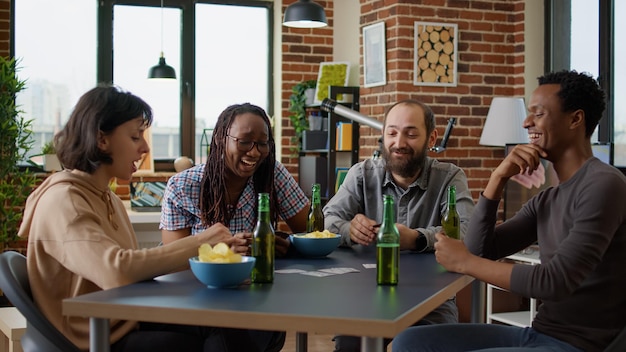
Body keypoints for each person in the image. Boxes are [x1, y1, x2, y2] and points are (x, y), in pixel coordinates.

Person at [17, 85, 283, 352]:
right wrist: (203, 243)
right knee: (223, 332)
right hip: (97, 337)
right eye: (135, 137)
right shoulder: (64, 201)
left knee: (246, 323)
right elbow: (117, 270)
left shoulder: (105, 196)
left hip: (124, 319)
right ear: (102, 139)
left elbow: (129, 266)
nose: (145, 147)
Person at [391, 70, 626, 352]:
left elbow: (554, 281)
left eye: (538, 114)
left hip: (580, 345)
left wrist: (463, 261)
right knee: (407, 343)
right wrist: (497, 180)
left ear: (575, 119)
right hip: (539, 334)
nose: (527, 123)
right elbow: (481, 249)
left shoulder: (604, 184)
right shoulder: (548, 199)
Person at [323, 99, 475, 352]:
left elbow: (467, 231)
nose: (399, 143)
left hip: (432, 300)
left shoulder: (450, 177)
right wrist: (350, 229)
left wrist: (415, 238)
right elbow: (327, 220)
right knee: (350, 346)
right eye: (391, 133)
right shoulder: (361, 174)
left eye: (411, 134)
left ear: (432, 137)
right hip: (367, 295)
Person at [160, 103, 309, 256]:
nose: (254, 152)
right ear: (220, 138)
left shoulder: (273, 174)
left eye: (263, 144)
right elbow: (173, 259)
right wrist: (224, 253)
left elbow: (313, 232)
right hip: (204, 280)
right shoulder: (182, 186)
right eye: (244, 142)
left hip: (261, 278)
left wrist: (289, 246)